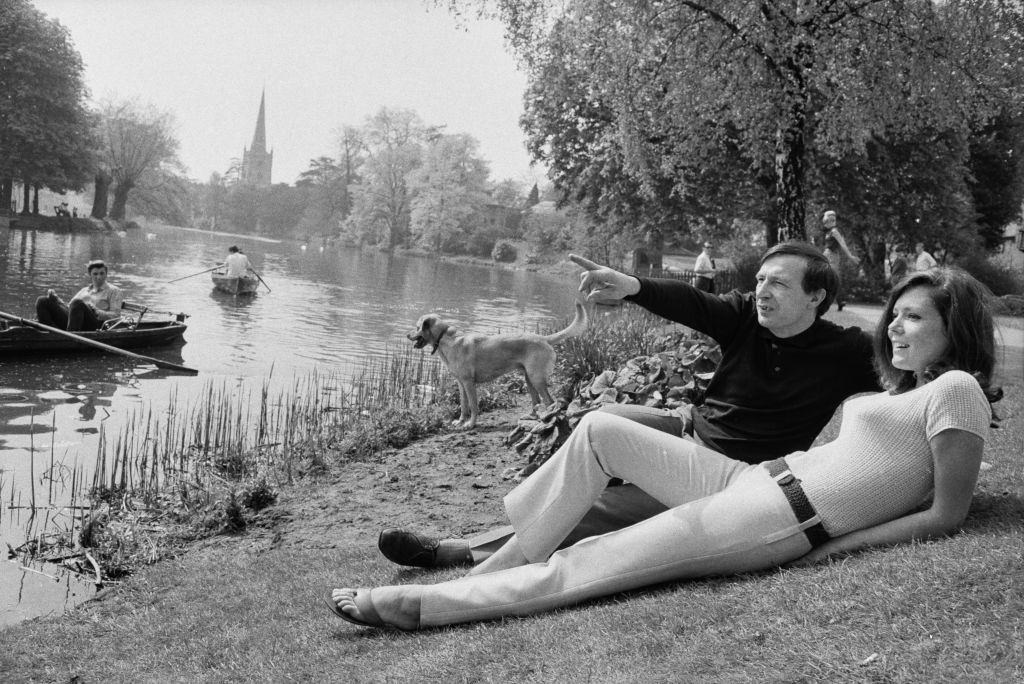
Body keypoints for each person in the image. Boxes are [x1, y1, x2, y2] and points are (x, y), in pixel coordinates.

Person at [328, 267, 1001, 630]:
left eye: (914, 318)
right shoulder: (900, 389)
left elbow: (946, 513)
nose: (895, 328)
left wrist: (827, 549)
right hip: (753, 481)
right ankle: (492, 558)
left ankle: (431, 605)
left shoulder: (959, 388)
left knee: (592, 561)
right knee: (601, 429)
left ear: (956, 326)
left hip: (778, 519)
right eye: (896, 316)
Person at [377, 242, 881, 569]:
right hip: (687, 431)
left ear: (816, 297)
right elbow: (692, 302)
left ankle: (462, 554)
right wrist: (634, 286)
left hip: (733, 474)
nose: (762, 291)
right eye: (760, 280)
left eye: (778, 283)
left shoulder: (849, 352)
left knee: (603, 504)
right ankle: (518, 527)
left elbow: (918, 379)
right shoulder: (745, 317)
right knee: (606, 423)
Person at [35, 259, 126, 332]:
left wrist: (96, 311)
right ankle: (51, 332)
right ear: (90, 275)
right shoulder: (84, 290)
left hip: (96, 325)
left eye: (102, 273)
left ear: (106, 274)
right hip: (75, 323)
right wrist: (57, 300)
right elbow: (70, 308)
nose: (99, 277)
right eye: (95, 274)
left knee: (77, 303)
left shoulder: (114, 291)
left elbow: (116, 316)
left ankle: (68, 338)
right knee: (42, 300)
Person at [821, 210, 859, 311]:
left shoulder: (834, 231)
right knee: (826, 278)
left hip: (833, 256)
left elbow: (842, 244)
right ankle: (838, 301)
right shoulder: (829, 232)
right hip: (827, 254)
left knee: (832, 278)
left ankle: (839, 301)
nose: (825, 224)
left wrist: (850, 256)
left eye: (828, 221)